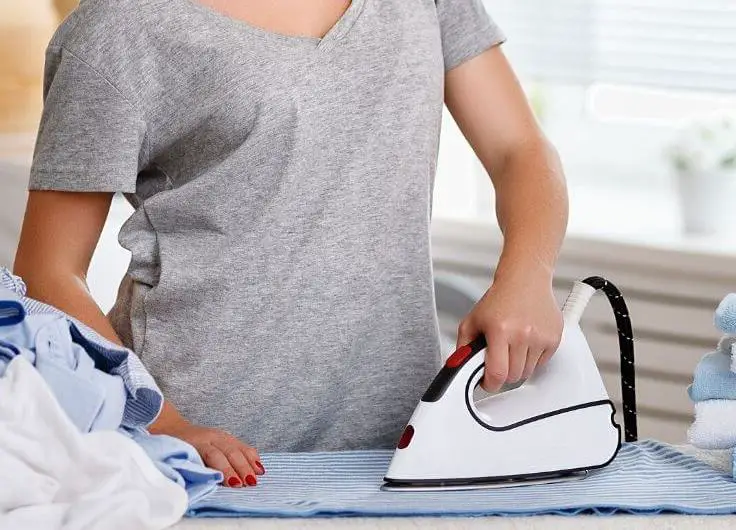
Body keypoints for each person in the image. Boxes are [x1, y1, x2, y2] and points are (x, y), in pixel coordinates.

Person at [14, 0, 568, 489]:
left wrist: (525, 275)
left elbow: (519, 149)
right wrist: (165, 425)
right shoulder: (119, 29)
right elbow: (49, 273)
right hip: (211, 456)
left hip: (400, 446)